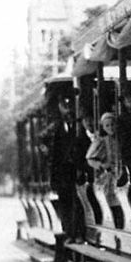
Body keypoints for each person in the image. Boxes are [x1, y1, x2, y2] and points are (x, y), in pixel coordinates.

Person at [49, 95, 79, 241]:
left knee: (76, 203)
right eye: (64, 107)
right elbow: (54, 157)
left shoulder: (77, 127)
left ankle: (76, 233)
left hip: (76, 173)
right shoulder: (58, 130)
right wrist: (53, 180)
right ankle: (68, 232)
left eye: (69, 107)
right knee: (65, 204)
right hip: (63, 176)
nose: (67, 111)